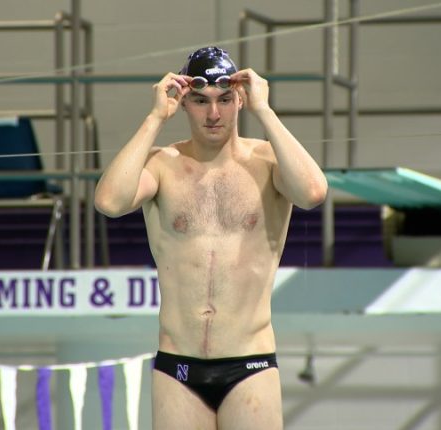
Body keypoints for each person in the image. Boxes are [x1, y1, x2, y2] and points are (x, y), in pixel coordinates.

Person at [94, 46, 328, 429]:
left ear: (240, 99)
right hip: (178, 366)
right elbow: (109, 201)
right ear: (183, 103)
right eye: (200, 101)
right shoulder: (162, 164)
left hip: (250, 363)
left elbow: (313, 192)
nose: (214, 113)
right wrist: (154, 118)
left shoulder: (267, 162)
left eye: (224, 100)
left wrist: (265, 111)